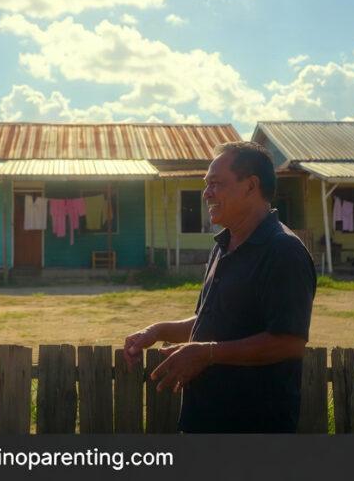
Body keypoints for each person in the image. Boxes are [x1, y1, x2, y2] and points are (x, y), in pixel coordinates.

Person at [123, 141, 316, 433]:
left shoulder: (283, 251)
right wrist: (158, 330)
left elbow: (289, 343)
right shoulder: (223, 245)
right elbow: (213, 323)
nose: (206, 193)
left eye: (216, 184)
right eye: (206, 184)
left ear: (251, 186)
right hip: (204, 419)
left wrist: (207, 353)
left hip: (254, 427)